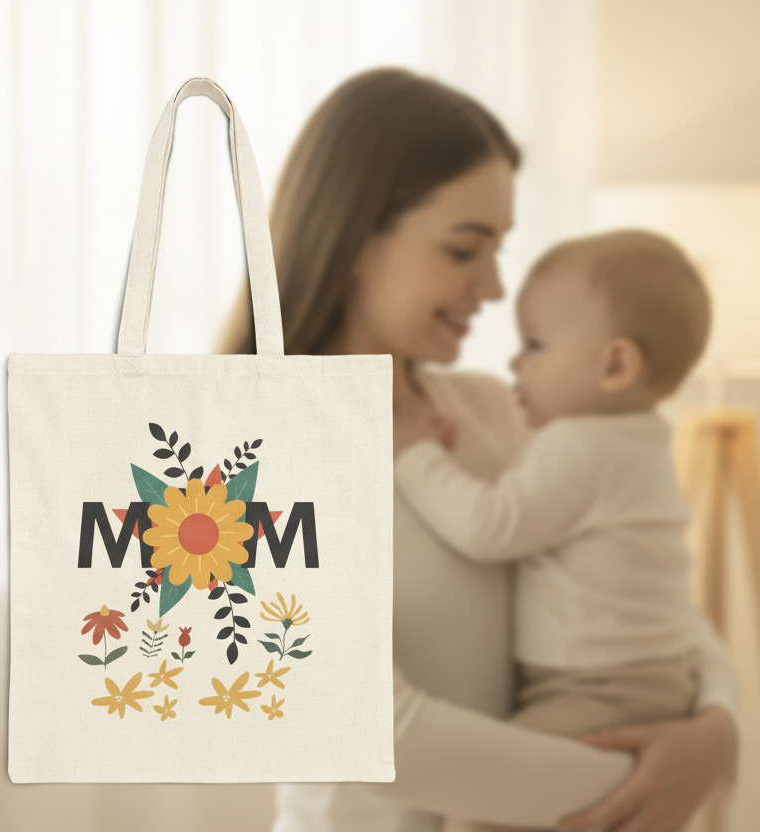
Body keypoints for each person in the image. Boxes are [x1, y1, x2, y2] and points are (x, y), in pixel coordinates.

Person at [219, 68, 737, 832]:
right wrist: (646, 780)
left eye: (500, 248)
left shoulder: (504, 411)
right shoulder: (240, 447)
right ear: (357, 237)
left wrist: (720, 731)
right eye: (466, 250)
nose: (495, 288)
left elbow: (643, 597)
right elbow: (368, 731)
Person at [393, 230, 727, 832]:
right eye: (465, 247)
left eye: (535, 344)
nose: (514, 362)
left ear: (616, 364)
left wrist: (416, 456)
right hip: (645, 678)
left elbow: (489, 526)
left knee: (471, 817)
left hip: (599, 690)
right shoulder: (637, 440)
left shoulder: (575, 441)